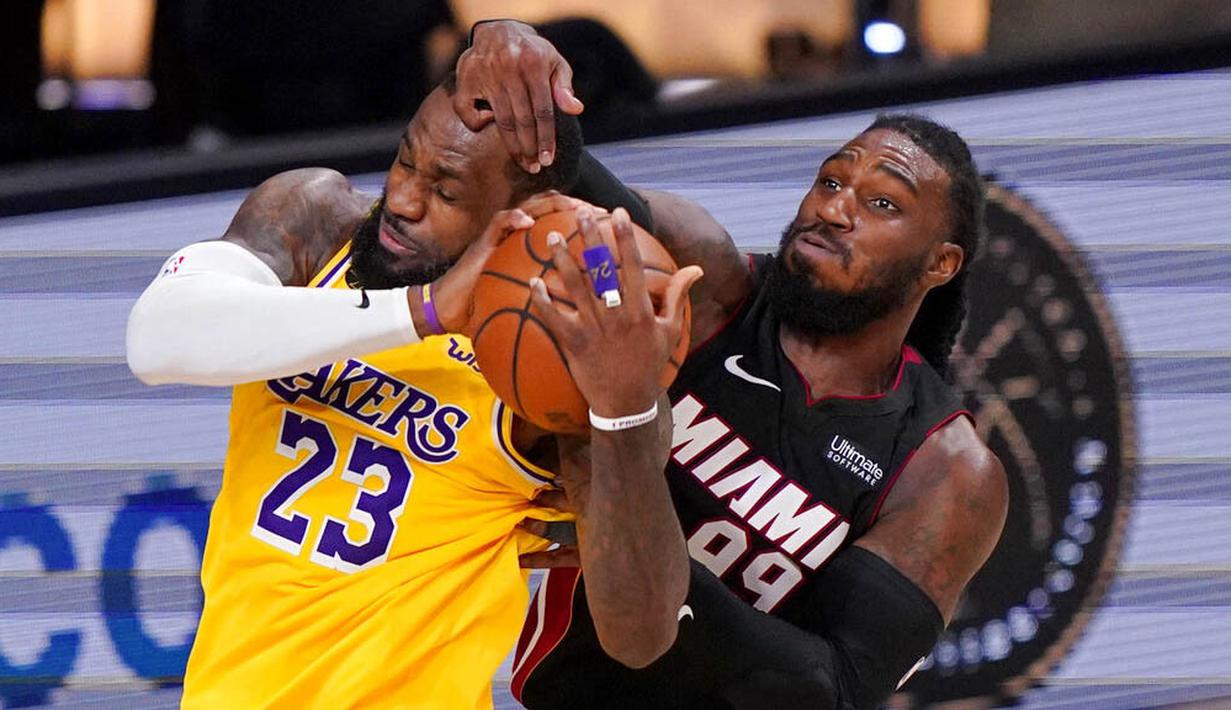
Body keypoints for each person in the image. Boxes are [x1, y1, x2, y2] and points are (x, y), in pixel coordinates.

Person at [455, 21, 1008, 710]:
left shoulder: (944, 470)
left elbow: (830, 689)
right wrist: (507, 50)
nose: (835, 209)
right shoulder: (700, 278)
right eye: (830, 179)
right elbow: (549, 160)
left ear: (940, 263)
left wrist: (625, 528)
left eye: (881, 203)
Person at [125, 69, 698, 707]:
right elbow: (155, 339)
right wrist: (425, 309)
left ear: (521, 215)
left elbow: (641, 637)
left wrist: (622, 412)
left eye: (446, 193)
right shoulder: (322, 225)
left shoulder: (559, 361)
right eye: (405, 161)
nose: (402, 199)